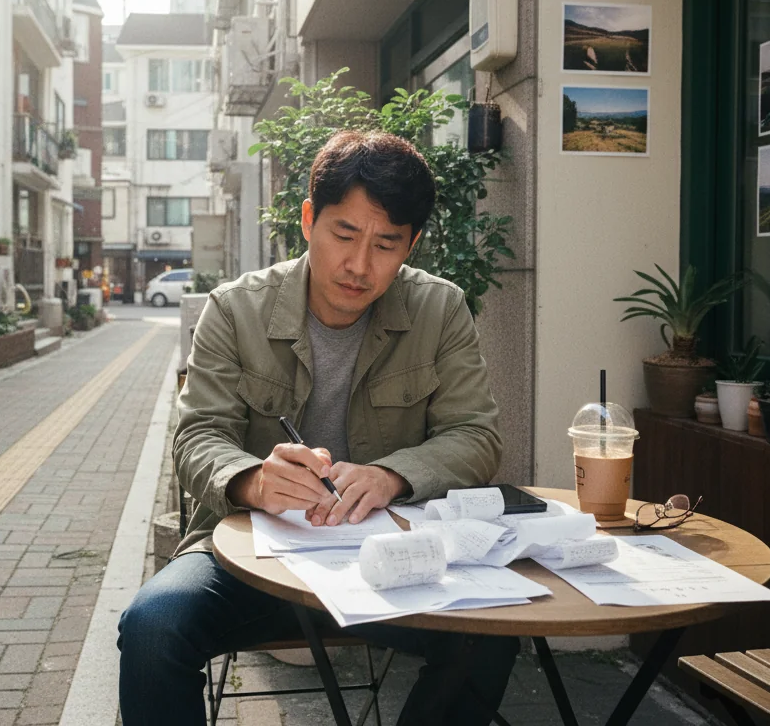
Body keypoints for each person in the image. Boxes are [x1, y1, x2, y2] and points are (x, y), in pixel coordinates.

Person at [118, 130, 517, 726]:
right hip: (249, 558)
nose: (359, 265)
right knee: (152, 628)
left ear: (411, 245)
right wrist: (252, 480)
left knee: (491, 633)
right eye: (344, 234)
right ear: (308, 220)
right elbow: (198, 434)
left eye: (386, 244)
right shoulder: (235, 308)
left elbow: (477, 435)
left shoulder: (441, 309)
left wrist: (391, 475)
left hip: (393, 556)